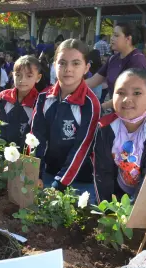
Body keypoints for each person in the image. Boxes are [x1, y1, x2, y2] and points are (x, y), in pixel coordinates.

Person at [31, 39, 100, 199]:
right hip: (48, 173)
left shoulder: (90, 103)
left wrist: (60, 184)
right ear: (54, 65)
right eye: (62, 63)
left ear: (86, 68)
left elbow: (82, 148)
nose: (68, 69)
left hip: (80, 180)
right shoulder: (44, 98)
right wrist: (33, 172)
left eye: (76, 63)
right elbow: (35, 138)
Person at [93, 68, 146, 203]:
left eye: (137, 93)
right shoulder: (104, 128)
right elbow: (103, 174)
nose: (126, 99)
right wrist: (107, 210)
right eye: (120, 92)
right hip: (121, 192)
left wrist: (134, 218)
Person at [86, 22, 146, 111]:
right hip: (117, 112)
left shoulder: (137, 60)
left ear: (128, 39)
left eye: (116, 35)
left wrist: (101, 107)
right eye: (113, 35)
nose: (112, 38)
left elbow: (128, 94)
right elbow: (92, 81)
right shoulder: (113, 59)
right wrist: (69, 86)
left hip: (132, 115)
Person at [0, 56, 41, 150]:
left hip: (27, 155)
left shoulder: (39, 101)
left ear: (38, 77)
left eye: (29, 76)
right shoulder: (4, 96)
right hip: (4, 150)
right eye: (18, 75)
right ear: (13, 75)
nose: (22, 80)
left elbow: (37, 133)